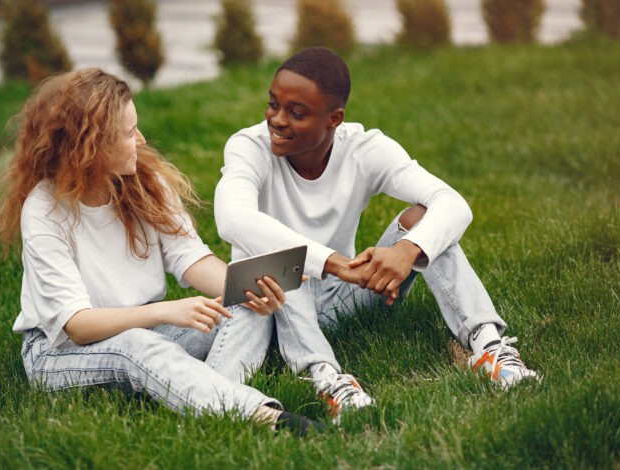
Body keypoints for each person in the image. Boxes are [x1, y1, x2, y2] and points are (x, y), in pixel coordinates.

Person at [0, 68, 324, 436]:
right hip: (58, 353)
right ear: (90, 147)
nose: (141, 140)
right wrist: (166, 311)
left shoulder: (145, 183)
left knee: (244, 306)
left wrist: (247, 285)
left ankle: (203, 399)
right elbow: (77, 326)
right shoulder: (45, 209)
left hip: (147, 330)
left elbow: (190, 257)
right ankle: (260, 416)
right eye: (129, 133)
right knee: (138, 344)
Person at [213, 47, 541, 422]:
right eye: (273, 105)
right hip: (273, 304)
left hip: (343, 298)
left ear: (333, 119)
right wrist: (334, 263)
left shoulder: (364, 149)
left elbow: (452, 202)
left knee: (425, 221)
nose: (277, 119)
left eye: (296, 112)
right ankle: (323, 377)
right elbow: (232, 219)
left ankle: (487, 347)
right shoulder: (248, 146)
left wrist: (407, 249)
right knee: (285, 262)